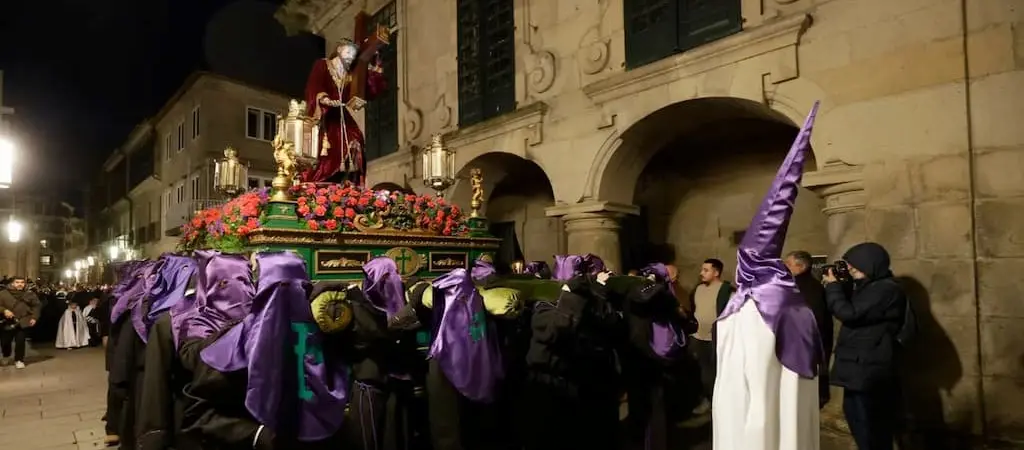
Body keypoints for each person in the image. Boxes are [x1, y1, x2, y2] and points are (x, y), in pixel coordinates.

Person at [712, 102, 823, 450]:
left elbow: (749, 376)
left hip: (757, 407)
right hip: (764, 405)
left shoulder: (756, 304)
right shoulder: (780, 300)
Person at [824, 242, 907, 450]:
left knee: (869, 428)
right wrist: (842, 285)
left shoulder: (885, 289)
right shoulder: (870, 287)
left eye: (855, 264)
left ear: (872, 264)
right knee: (862, 425)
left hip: (868, 370)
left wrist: (833, 287)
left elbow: (850, 313)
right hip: (860, 368)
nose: (850, 268)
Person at [301, 36, 388, 185]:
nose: (350, 58)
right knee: (325, 145)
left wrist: (374, 73)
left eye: (353, 55)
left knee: (356, 138)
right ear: (339, 50)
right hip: (325, 115)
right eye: (348, 53)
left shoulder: (350, 76)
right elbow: (314, 85)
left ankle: (348, 179)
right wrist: (324, 99)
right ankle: (320, 180)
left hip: (341, 114)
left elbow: (366, 91)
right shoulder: (323, 64)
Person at [785, 250, 834, 407]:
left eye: (788, 264)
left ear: (801, 267)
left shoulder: (810, 288)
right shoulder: (792, 286)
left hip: (803, 347)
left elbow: (815, 320)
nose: (785, 268)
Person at [686, 258, 733, 413]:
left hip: (716, 339)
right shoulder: (698, 289)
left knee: (714, 373)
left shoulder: (727, 291)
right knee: (700, 373)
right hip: (698, 338)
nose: (701, 273)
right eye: (702, 269)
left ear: (716, 272)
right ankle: (706, 400)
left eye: (706, 270)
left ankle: (718, 405)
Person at [0, 276, 42, 368]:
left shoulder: (29, 294)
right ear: (12, 283)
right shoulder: (3, 294)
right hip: (7, 322)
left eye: (22, 282)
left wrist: (34, 317)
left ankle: (19, 359)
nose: (20, 284)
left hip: (23, 321)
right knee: (5, 342)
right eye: (17, 282)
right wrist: (4, 310)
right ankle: (6, 355)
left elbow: (36, 306)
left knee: (20, 341)